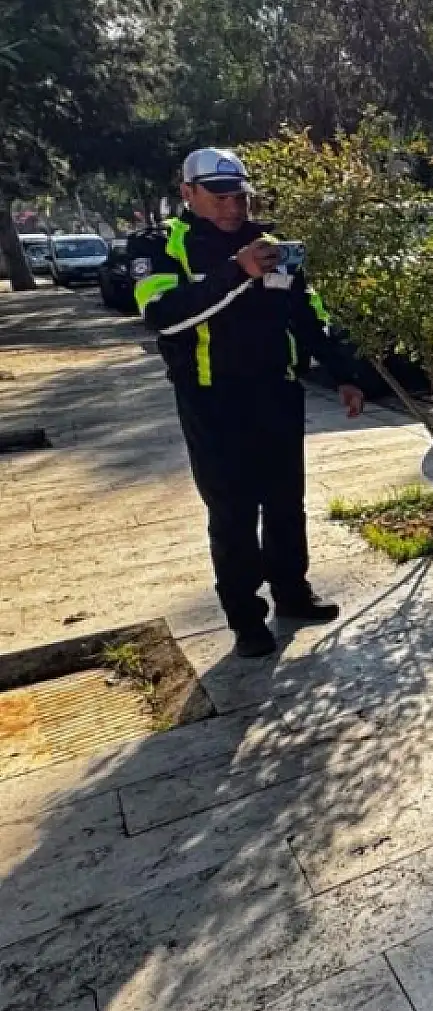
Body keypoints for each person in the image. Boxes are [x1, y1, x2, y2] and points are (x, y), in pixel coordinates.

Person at [130, 148, 364, 659]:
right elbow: (163, 316)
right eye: (219, 197)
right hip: (212, 400)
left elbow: (306, 313)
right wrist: (237, 271)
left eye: (239, 196)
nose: (233, 207)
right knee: (233, 513)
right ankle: (246, 618)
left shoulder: (271, 245)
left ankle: (293, 593)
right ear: (188, 193)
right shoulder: (162, 246)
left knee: (285, 504)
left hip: (277, 393)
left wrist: (344, 375)